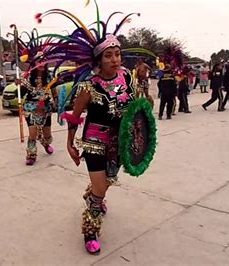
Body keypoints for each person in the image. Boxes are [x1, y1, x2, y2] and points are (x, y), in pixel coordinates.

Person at [36, 4, 155, 255]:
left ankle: (93, 194)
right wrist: (70, 143)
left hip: (121, 142)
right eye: (109, 56)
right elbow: (74, 116)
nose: (115, 59)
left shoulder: (128, 77)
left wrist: (142, 114)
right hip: (94, 142)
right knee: (101, 189)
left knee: (107, 182)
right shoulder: (88, 87)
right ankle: (90, 229)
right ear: (98, 60)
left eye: (117, 54)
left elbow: (134, 106)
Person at [16, 62, 56, 166]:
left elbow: (54, 91)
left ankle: (45, 143)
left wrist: (58, 104)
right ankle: (31, 155)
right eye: (39, 61)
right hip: (31, 107)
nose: (42, 64)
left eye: (44, 61)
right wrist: (19, 85)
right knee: (33, 132)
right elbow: (20, 93)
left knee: (47, 134)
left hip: (46, 108)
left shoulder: (50, 75)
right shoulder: (27, 77)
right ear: (34, 63)